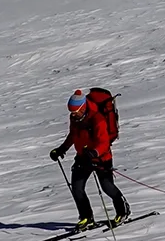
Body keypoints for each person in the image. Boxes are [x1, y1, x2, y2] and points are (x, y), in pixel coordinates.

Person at [49, 88, 131, 230]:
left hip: (101, 158)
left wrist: (94, 153)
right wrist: (62, 149)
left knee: (107, 187)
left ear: (83, 106)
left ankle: (123, 211)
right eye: (72, 112)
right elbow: (73, 135)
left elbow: (104, 142)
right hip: (83, 157)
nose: (74, 115)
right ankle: (86, 217)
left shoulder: (96, 118)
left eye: (76, 111)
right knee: (77, 188)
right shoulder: (74, 118)